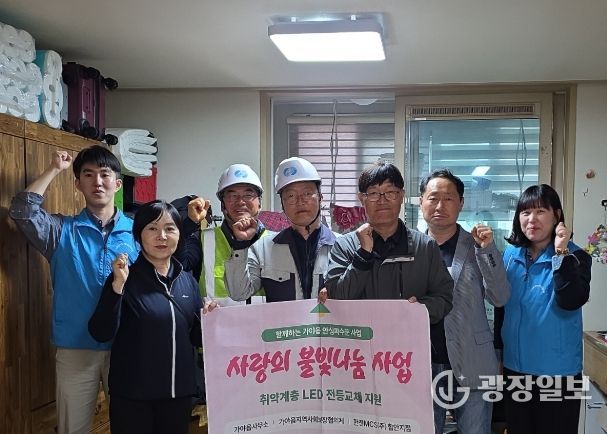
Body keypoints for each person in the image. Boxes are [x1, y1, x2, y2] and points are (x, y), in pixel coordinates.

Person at [9, 145, 138, 434]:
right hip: (75, 348)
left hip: (126, 345)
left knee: (130, 425)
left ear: (117, 184)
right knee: (73, 428)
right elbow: (22, 211)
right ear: (77, 184)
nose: (97, 182)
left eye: (105, 174)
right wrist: (54, 169)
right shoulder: (60, 230)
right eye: (88, 175)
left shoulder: (137, 232)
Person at [89, 200, 203, 434]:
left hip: (178, 396)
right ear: (138, 236)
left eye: (170, 228)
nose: (162, 236)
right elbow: (100, 332)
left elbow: (195, 338)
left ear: (179, 235)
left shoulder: (188, 281)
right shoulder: (124, 278)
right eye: (152, 228)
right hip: (134, 397)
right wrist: (117, 288)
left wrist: (209, 318)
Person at [419, 169, 510, 434]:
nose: (440, 206)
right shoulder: (410, 247)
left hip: (473, 359)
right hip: (422, 362)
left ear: (461, 203)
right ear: (421, 201)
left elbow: (500, 296)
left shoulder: (478, 245)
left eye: (448, 198)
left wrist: (486, 250)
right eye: (433, 198)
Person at [501, 184, 591, 434]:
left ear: (557, 215)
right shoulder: (510, 255)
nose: (532, 219)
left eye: (540, 211)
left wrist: (561, 252)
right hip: (515, 369)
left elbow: (572, 299)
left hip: (558, 374)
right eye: (525, 212)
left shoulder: (576, 256)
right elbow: (501, 308)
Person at [324, 161, 453, 324]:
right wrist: (362, 256)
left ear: (401, 196)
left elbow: (444, 297)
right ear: (361, 198)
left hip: (408, 338)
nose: (382, 200)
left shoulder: (425, 247)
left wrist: (420, 309)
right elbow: (335, 300)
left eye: (390, 192)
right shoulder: (344, 246)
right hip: (362, 338)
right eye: (373, 193)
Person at [224, 157, 336, 302]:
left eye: (307, 193)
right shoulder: (262, 249)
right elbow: (239, 293)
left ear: (320, 197)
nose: (300, 201)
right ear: (282, 204)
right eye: (290, 196)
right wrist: (240, 245)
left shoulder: (342, 246)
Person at [176, 164, 266, 305]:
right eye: (232, 196)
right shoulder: (203, 240)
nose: (240, 201)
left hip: (266, 320)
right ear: (223, 205)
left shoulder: (275, 242)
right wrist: (190, 223)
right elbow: (177, 266)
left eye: (248, 195)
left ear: (259, 202)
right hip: (215, 319)